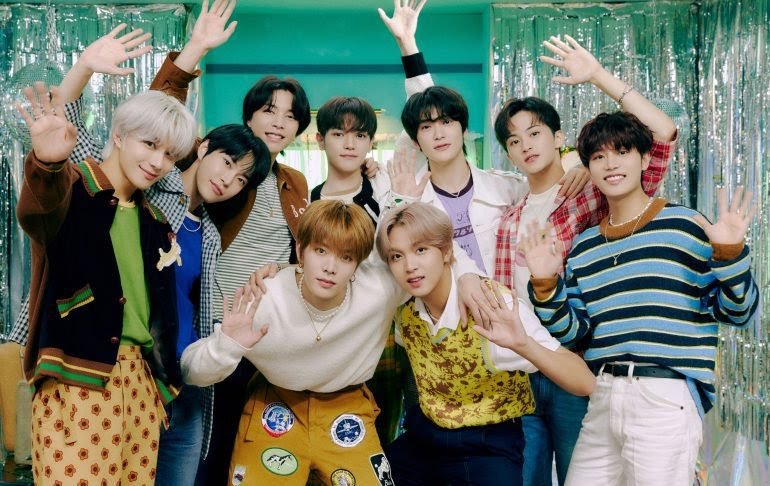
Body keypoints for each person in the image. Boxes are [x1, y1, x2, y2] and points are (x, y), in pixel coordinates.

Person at [521, 110, 759, 485]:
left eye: (622, 152)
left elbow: (738, 311)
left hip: (663, 395)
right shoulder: (584, 247)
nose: (611, 164)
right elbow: (574, 333)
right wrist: (545, 283)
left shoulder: (684, 226)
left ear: (646, 159)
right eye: (599, 156)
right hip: (603, 394)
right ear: (589, 168)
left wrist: (730, 254)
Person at [181, 200, 482, 485]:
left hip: (347, 407)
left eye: (346, 257)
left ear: (358, 264)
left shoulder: (379, 289)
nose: (330, 267)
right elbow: (190, 371)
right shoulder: (265, 298)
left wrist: (469, 277)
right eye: (320, 251)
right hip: (276, 404)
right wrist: (228, 345)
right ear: (300, 251)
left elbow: (438, 253)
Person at [489, 35, 677, 486]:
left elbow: (661, 136)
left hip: (580, 362)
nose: (526, 145)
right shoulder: (508, 220)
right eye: (514, 140)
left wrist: (597, 76)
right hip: (522, 368)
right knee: (525, 477)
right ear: (508, 153)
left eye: (535, 133)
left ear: (558, 138)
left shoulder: (593, 189)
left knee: (587, 475)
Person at [16, 82, 197, 484]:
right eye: (149, 144)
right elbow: (36, 212)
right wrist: (46, 164)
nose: (158, 161)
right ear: (119, 134)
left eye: (169, 154)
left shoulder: (155, 221)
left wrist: (161, 386)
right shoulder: (73, 188)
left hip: (142, 385)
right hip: (77, 379)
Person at [376, 202, 594, 485]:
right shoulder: (404, 311)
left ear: (447, 251)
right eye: (397, 256)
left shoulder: (493, 306)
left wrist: (523, 344)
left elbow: (584, 382)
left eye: (421, 250)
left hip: (486, 444)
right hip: (426, 437)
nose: (410, 266)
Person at [311, 95, 404, 443]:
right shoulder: (309, 201)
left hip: (382, 335)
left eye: (360, 135)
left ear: (371, 142)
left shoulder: (383, 193)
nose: (350, 144)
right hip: (327, 336)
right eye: (339, 134)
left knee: (382, 441)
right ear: (320, 140)